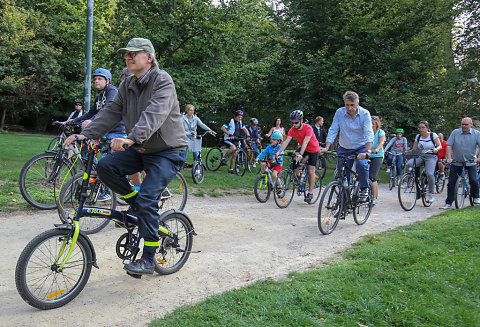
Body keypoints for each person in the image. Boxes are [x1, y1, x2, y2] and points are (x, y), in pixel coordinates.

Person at [64, 37, 187, 275]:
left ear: (148, 58)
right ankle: (135, 203)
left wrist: (131, 138)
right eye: (126, 54)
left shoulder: (163, 81)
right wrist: (85, 134)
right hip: (141, 148)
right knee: (106, 166)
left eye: (134, 53)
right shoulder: (128, 84)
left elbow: (155, 113)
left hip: (167, 151)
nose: (128, 57)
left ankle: (149, 258)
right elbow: (111, 112)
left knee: (148, 197)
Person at [67, 68, 127, 201]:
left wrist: (92, 121)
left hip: (116, 131)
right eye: (95, 79)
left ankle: (108, 192)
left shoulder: (112, 92)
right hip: (105, 131)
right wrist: (74, 120)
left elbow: (108, 110)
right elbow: (90, 112)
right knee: (93, 157)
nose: (96, 81)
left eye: (100, 79)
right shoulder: (99, 96)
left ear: (108, 81)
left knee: (106, 162)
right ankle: (99, 185)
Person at [319, 91, 374, 200]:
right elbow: (333, 129)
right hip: (344, 147)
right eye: (347, 105)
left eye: (352, 105)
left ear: (357, 103)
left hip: (360, 147)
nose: (349, 108)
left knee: (362, 165)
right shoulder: (340, 112)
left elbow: (369, 133)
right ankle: (343, 206)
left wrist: (367, 152)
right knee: (343, 176)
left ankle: (364, 188)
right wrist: (327, 147)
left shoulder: (364, 114)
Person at [275, 110, 320, 203]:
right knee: (294, 161)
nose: (294, 125)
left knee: (311, 171)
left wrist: (300, 154)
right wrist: (278, 152)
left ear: (301, 120)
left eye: (296, 122)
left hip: (313, 149)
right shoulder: (292, 129)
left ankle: (310, 193)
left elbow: (305, 142)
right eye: (293, 123)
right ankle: (299, 178)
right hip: (304, 148)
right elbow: (287, 141)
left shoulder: (308, 128)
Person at [440, 117, 480, 209]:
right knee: (451, 182)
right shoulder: (455, 132)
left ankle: (476, 197)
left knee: (474, 179)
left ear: (471, 124)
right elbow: (449, 145)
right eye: (462, 124)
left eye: (466, 125)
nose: (464, 126)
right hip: (456, 161)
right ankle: (448, 202)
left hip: (470, 161)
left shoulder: (477, 134)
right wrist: (449, 157)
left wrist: (478, 157)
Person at [406, 121, 442, 203]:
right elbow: (415, 148)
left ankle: (431, 193)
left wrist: (436, 149)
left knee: (429, 173)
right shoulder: (418, 136)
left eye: (423, 127)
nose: (421, 129)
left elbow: (440, 145)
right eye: (420, 128)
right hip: (421, 155)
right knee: (409, 164)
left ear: (427, 128)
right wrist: (409, 151)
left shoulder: (433, 135)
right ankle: (406, 181)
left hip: (431, 156)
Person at [369, 116, 385, 205]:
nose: (371, 125)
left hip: (377, 155)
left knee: (372, 176)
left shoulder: (380, 132)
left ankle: (374, 197)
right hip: (367, 154)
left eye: (373, 123)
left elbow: (381, 142)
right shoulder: (367, 132)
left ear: (376, 124)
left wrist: (377, 149)